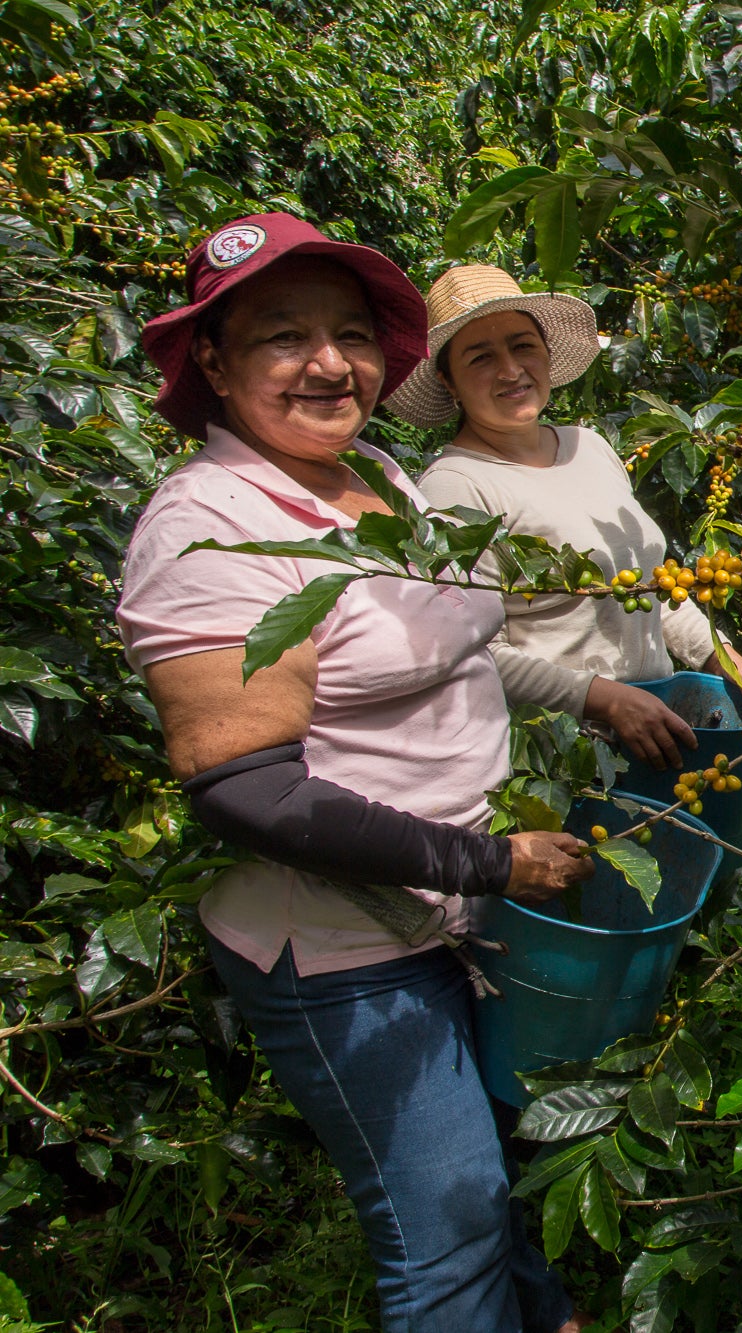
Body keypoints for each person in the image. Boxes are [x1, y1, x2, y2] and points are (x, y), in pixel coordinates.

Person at [117, 214, 594, 1333]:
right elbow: (247, 787)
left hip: (457, 915)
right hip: (349, 949)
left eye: (351, 334)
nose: (330, 364)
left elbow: (444, 650)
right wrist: (486, 861)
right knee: (446, 1240)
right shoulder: (207, 527)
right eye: (283, 336)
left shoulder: (374, 474)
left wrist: (596, 688)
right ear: (215, 365)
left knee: (502, 1177)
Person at [384, 264, 742, 767]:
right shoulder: (455, 486)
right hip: (564, 754)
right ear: (448, 381)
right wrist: (602, 699)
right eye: (481, 357)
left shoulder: (590, 446)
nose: (510, 371)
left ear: (546, 352)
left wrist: (716, 651)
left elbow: (651, 585)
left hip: (658, 725)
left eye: (522, 346)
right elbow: (471, 650)